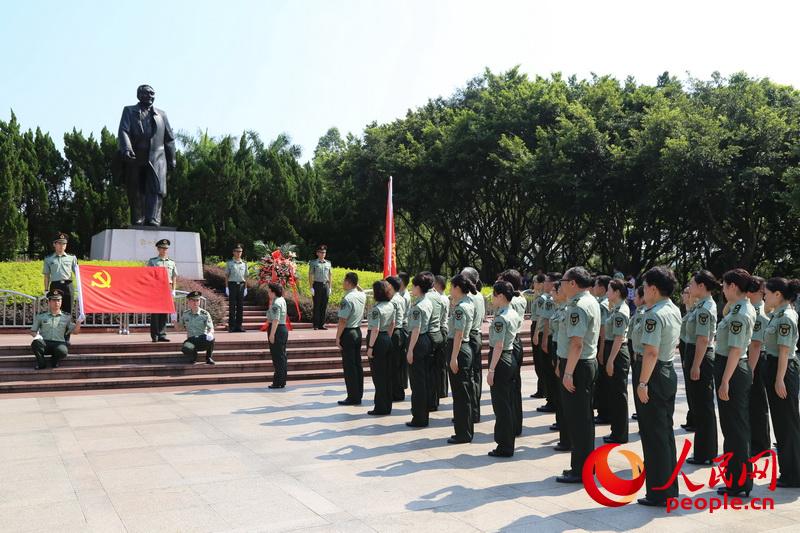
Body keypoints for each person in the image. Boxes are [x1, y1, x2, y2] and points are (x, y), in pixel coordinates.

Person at [635, 266, 682, 507]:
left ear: (653, 289)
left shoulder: (653, 314)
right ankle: (669, 488)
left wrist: (642, 382)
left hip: (652, 373)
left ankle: (659, 492)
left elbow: (651, 352)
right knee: (663, 433)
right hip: (666, 371)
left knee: (654, 435)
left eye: (644, 287)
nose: (642, 292)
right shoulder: (673, 309)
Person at [715, 268, 757, 497]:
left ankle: (740, 481)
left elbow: (736, 348)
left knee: (736, 428)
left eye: (724, 285)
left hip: (732, 368)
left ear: (732, 286)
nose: (722, 289)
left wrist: (725, 381)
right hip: (731, 367)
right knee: (733, 427)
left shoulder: (741, 313)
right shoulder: (737, 308)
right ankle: (735, 479)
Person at [555, 267, 600, 483]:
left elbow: (576, 343)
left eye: (563, 280)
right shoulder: (590, 301)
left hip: (578, 365)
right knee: (584, 418)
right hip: (584, 363)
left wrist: (568, 372)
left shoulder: (578, 307)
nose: (561, 284)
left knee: (578, 419)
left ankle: (580, 470)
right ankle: (584, 466)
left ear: (573, 283)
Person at [117, 84, 176, 226]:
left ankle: (153, 219)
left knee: (156, 189)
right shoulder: (129, 111)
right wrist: (126, 148)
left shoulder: (162, 114)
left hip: (157, 157)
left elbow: (169, 138)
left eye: (152, 93)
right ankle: (138, 217)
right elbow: (123, 131)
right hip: (136, 156)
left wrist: (172, 159)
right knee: (135, 188)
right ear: (138, 95)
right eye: (146, 93)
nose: (149, 96)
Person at [763, 277, 800, 487]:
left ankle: (794, 474)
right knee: (782, 421)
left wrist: (779, 379)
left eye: (767, 292)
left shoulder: (785, 316)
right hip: (777, 367)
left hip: (782, 370)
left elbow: (785, 351)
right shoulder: (778, 313)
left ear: (778, 294)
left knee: (787, 423)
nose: (765, 296)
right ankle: (789, 471)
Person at [684, 271, 720, 464]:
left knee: (703, 406)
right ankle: (704, 451)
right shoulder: (700, 305)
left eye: (692, 283)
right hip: (695, 353)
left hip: (702, 356)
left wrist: (696, 365)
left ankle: (705, 453)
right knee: (699, 405)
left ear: (702, 286)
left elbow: (703, 339)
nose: (689, 287)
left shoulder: (706, 308)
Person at [487, 281, 522, 457]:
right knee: (507, 403)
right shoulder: (513, 313)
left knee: (501, 406)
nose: (492, 298)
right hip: (510, 357)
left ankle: (505, 446)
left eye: (493, 295)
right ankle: (508, 442)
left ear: (500, 296)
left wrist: (491, 369)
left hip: (501, 358)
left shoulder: (501, 318)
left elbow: (499, 345)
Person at [446, 274, 476, 444]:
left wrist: (453, 358)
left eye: (452, 287)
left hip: (458, 348)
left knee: (460, 394)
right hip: (464, 348)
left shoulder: (460, 308)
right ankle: (465, 430)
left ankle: (463, 433)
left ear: (457, 288)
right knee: (464, 393)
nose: (450, 290)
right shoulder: (468, 303)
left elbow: (458, 334)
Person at [602, 278, 631, 444]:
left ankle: (620, 434)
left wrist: (611, 360)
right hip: (612, 349)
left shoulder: (621, 311)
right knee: (614, 393)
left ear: (617, 292)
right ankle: (616, 430)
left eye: (609, 290)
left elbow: (619, 338)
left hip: (617, 352)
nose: (607, 293)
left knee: (619, 395)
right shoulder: (615, 309)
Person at [499, 269, 527, 436]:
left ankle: (511, 425)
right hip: (516, 340)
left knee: (509, 387)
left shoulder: (511, 302)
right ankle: (516, 424)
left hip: (510, 342)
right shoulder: (522, 299)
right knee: (515, 386)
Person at [406, 272, 435, 428]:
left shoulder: (418, 306)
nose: (412, 288)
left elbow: (416, 329)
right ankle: (422, 415)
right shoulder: (428, 302)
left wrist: (410, 350)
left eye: (413, 286)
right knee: (423, 381)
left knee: (417, 383)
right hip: (425, 340)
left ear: (419, 287)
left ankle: (419, 418)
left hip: (417, 341)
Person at [747, 276, 771, 457]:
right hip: (755, 356)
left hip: (757, 358)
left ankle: (761, 445)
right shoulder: (753, 309)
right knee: (753, 403)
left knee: (757, 403)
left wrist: (749, 370)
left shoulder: (759, 313)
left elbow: (755, 345)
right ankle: (755, 441)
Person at [365, 280, 397, 414]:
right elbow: (393, 324)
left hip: (377, 341)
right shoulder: (391, 305)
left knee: (378, 376)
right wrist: (388, 337)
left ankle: (380, 407)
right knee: (387, 375)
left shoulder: (376, 309)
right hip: (387, 339)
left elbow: (375, 329)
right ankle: (387, 405)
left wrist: (370, 347)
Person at [30, 290, 82, 369]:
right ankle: (41, 363)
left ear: (61, 302)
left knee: (63, 351)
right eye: (54, 300)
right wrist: (37, 336)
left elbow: (75, 332)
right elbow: (33, 331)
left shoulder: (66, 317)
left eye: (58, 300)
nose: (56, 303)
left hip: (59, 343)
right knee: (35, 343)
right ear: (49, 302)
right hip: (45, 342)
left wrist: (79, 322)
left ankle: (54, 361)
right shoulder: (41, 316)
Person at [336, 272, 366, 405]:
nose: (343, 283)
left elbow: (342, 320)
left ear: (348, 282)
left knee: (349, 367)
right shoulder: (361, 296)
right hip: (357, 332)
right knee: (357, 364)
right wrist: (356, 284)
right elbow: (361, 290)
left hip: (348, 333)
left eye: (344, 280)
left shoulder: (347, 299)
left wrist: (337, 337)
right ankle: (358, 393)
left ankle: (352, 396)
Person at [461, 267, 485, 423]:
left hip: (469, 336)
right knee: (475, 375)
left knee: (469, 377)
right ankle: (474, 411)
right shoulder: (480, 295)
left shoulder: (469, 297)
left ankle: (471, 412)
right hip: (476, 335)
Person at [535, 273, 560, 414]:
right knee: (547, 370)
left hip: (551, 337)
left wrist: (543, 339)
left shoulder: (551, 299)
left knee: (549, 371)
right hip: (551, 336)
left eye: (546, 281)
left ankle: (552, 401)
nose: (544, 284)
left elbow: (546, 321)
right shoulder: (553, 299)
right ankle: (551, 399)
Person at [423, 271, 447, 412]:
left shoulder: (427, 298)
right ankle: (436, 397)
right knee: (436, 369)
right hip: (439, 332)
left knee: (429, 370)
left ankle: (430, 400)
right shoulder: (440, 297)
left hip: (430, 334)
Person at [551, 281, 570, 447]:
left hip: (564, 352)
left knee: (566, 400)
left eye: (556, 290)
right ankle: (562, 428)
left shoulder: (569, 310)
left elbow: (573, 342)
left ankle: (567, 437)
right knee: (560, 395)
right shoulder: (561, 309)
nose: (553, 293)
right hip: (559, 349)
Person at [147, 239, 177, 342]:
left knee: (164, 313)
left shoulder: (171, 262)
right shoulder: (153, 261)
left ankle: (162, 334)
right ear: (158, 249)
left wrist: (173, 289)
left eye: (166, 249)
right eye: (162, 248)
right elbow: (149, 275)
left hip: (167, 288)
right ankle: (154, 335)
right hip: (156, 288)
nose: (164, 250)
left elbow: (174, 277)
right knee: (155, 313)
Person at [42, 233, 78, 316]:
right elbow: (47, 275)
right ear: (54, 244)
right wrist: (46, 289)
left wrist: (81, 286)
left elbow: (77, 273)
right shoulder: (48, 259)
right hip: (55, 285)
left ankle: (67, 328)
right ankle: (55, 328)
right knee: (55, 310)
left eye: (64, 243)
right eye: (59, 243)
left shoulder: (72, 258)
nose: (62, 245)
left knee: (68, 310)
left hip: (68, 285)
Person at [592, 274, 612, 425]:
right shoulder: (603, 303)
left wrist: (601, 350)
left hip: (602, 342)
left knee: (603, 382)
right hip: (602, 343)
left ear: (602, 288)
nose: (593, 288)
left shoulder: (603, 305)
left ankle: (604, 412)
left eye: (596, 285)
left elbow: (603, 329)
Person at [178, 291, 215, 365]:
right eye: (193, 300)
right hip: (191, 339)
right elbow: (180, 329)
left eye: (197, 300)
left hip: (202, 338)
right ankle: (193, 357)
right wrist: (174, 321)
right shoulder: (185, 314)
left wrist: (210, 333)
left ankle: (208, 358)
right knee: (185, 348)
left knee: (212, 339)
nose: (195, 303)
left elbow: (211, 327)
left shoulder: (205, 314)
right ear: (188, 302)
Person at [679, 286, 697, 432]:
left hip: (689, 347)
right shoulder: (688, 311)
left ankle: (694, 419)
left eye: (685, 293)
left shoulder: (695, 311)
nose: (683, 295)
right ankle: (691, 417)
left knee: (693, 388)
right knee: (689, 388)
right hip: (685, 347)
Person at [266, 283, 289, 388]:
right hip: (283, 328)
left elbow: (275, 319)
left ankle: (277, 382)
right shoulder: (281, 300)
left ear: (273, 292)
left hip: (277, 329)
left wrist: (272, 335)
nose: (268, 293)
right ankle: (282, 380)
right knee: (282, 356)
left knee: (277, 357)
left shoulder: (276, 303)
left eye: (269, 291)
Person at [394, 271, 412, 400]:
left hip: (402, 327)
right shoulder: (401, 294)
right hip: (402, 326)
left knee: (399, 360)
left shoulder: (403, 296)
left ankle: (400, 387)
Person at [530, 273, 549, 399]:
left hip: (538, 326)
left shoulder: (542, 299)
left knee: (540, 361)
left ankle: (543, 389)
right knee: (539, 361)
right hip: (537, 325)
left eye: (536, 282)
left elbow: (541, 317)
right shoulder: (539, 297)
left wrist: (536, 333)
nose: (534, 284)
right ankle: (542, 388)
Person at [629, 286, 646, 422]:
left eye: (636, 296)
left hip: (641, 354)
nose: (634, 298)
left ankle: (643, 415)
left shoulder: (643, 314)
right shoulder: (639, 312)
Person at [224, 243, 248, 332]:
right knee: (232, 306)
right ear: (233, 252)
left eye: (240, 251)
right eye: (237, 251)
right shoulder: (230, 263)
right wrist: (226, 287)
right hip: (232, 285)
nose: (239, 253)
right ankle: (232, 326)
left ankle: (239, 326)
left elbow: (246, 277)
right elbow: (226, 276)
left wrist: (246, 288)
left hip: (241, 285)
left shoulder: (244, 264)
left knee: (240, 307)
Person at [434, 275, 451, 400]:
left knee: (440, 362)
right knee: (441, 363)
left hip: (440, 329)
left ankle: (441, 390)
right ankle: (442, 389)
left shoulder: (440, 299)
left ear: (438, 284)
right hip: (443, 329)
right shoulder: (444, 297)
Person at [308, 245, 332, 330]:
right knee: (317, 305)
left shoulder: (328, 263)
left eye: (324, 252)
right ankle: (316, 324)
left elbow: (330, 275)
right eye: (321, 252)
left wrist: (330, 287)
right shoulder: (313, 263)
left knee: (324, 305)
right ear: (317, 253)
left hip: (325, 285)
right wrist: (311, 287)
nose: (323, 254)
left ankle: (322, 324)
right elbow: (310, 275)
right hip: (317, 285)